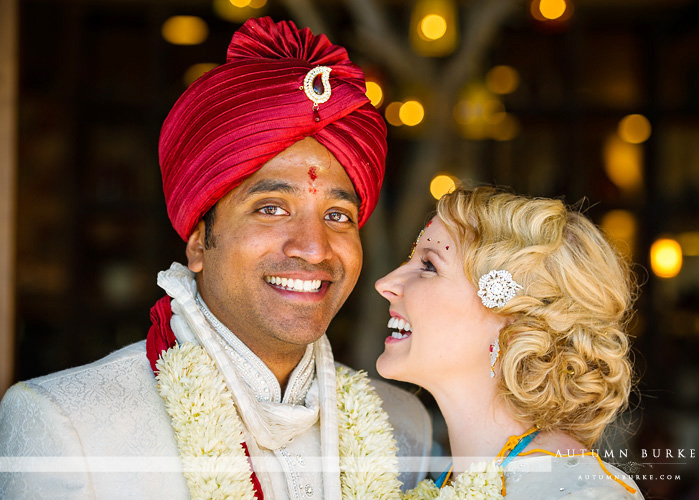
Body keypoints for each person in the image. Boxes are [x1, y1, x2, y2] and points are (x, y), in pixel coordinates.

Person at [0, 17, 431, 500]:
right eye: (271, 209)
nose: (313, 247)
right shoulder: (67, 426)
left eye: (337, 215)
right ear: (199, 242)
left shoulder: (404, 428)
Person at [376, 187, 645, 499]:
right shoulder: (437, 479)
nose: (384, 283)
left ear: (514, 322)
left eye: (429, 266)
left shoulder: (579, 493)